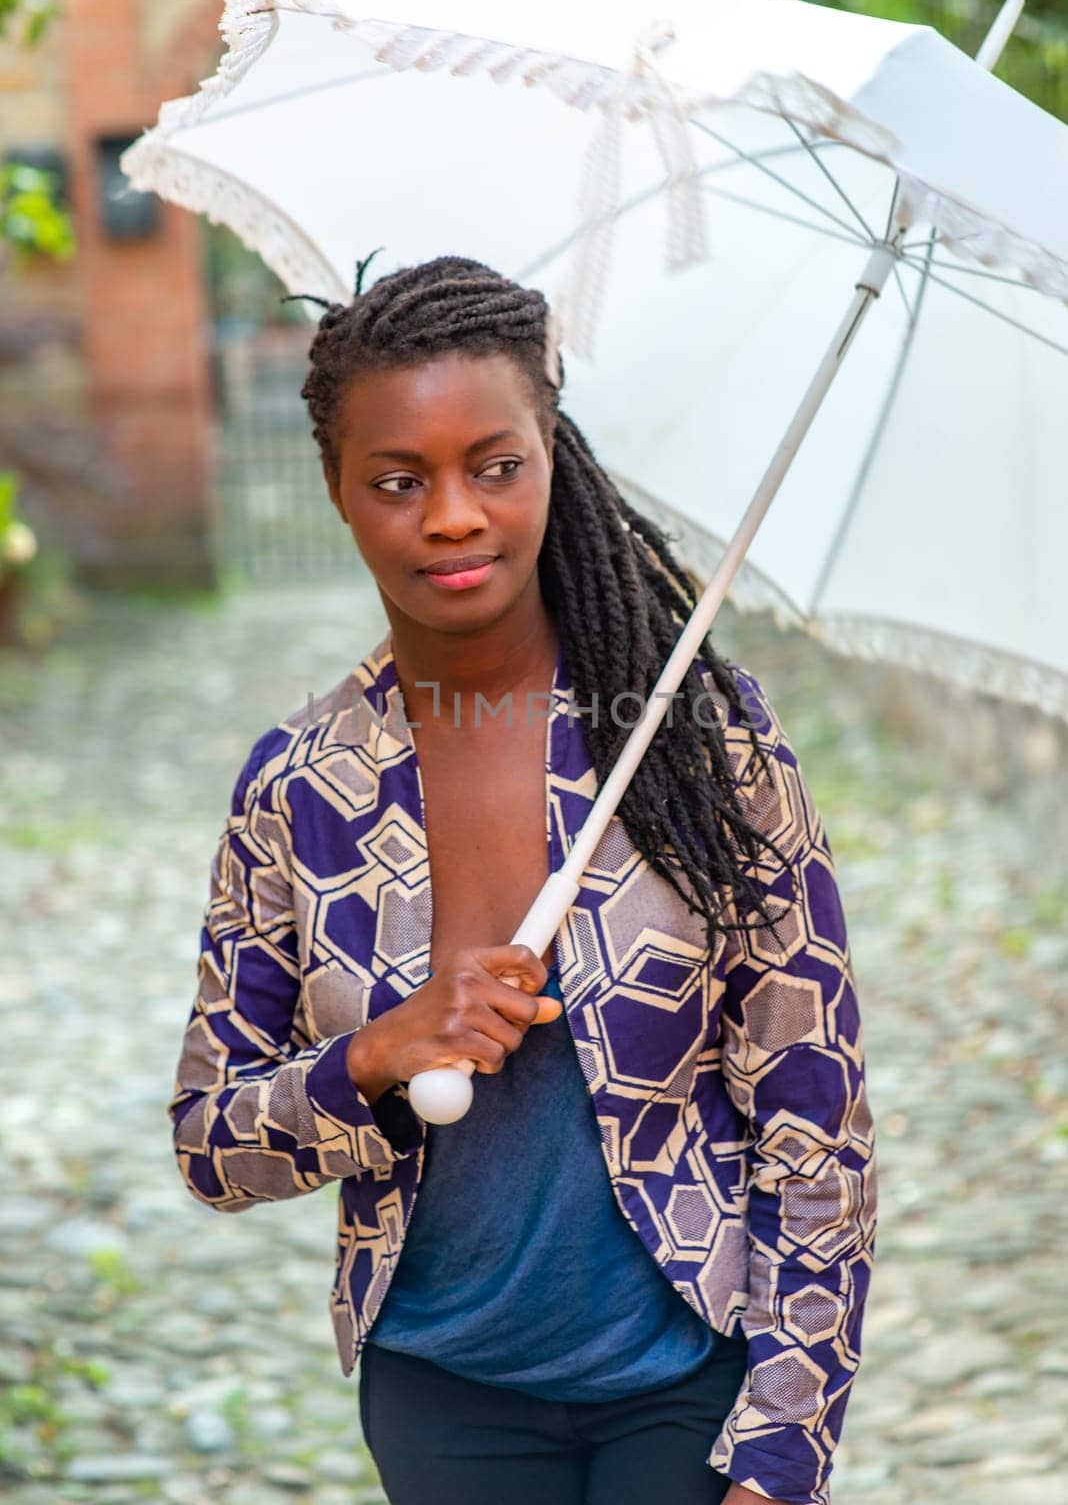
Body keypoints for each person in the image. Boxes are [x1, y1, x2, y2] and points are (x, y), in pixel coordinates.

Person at [168, 255, 877, 1505]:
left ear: (553, 451)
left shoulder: (700, 745)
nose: (452, 515)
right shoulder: (299, 789)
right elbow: (212, 1146)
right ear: (337, 490)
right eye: (399, 481)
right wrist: (376, 1055)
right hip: (444, 1393)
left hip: (686, 1381)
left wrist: (785, 1446)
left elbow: (815, 1121)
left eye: (496, 465)